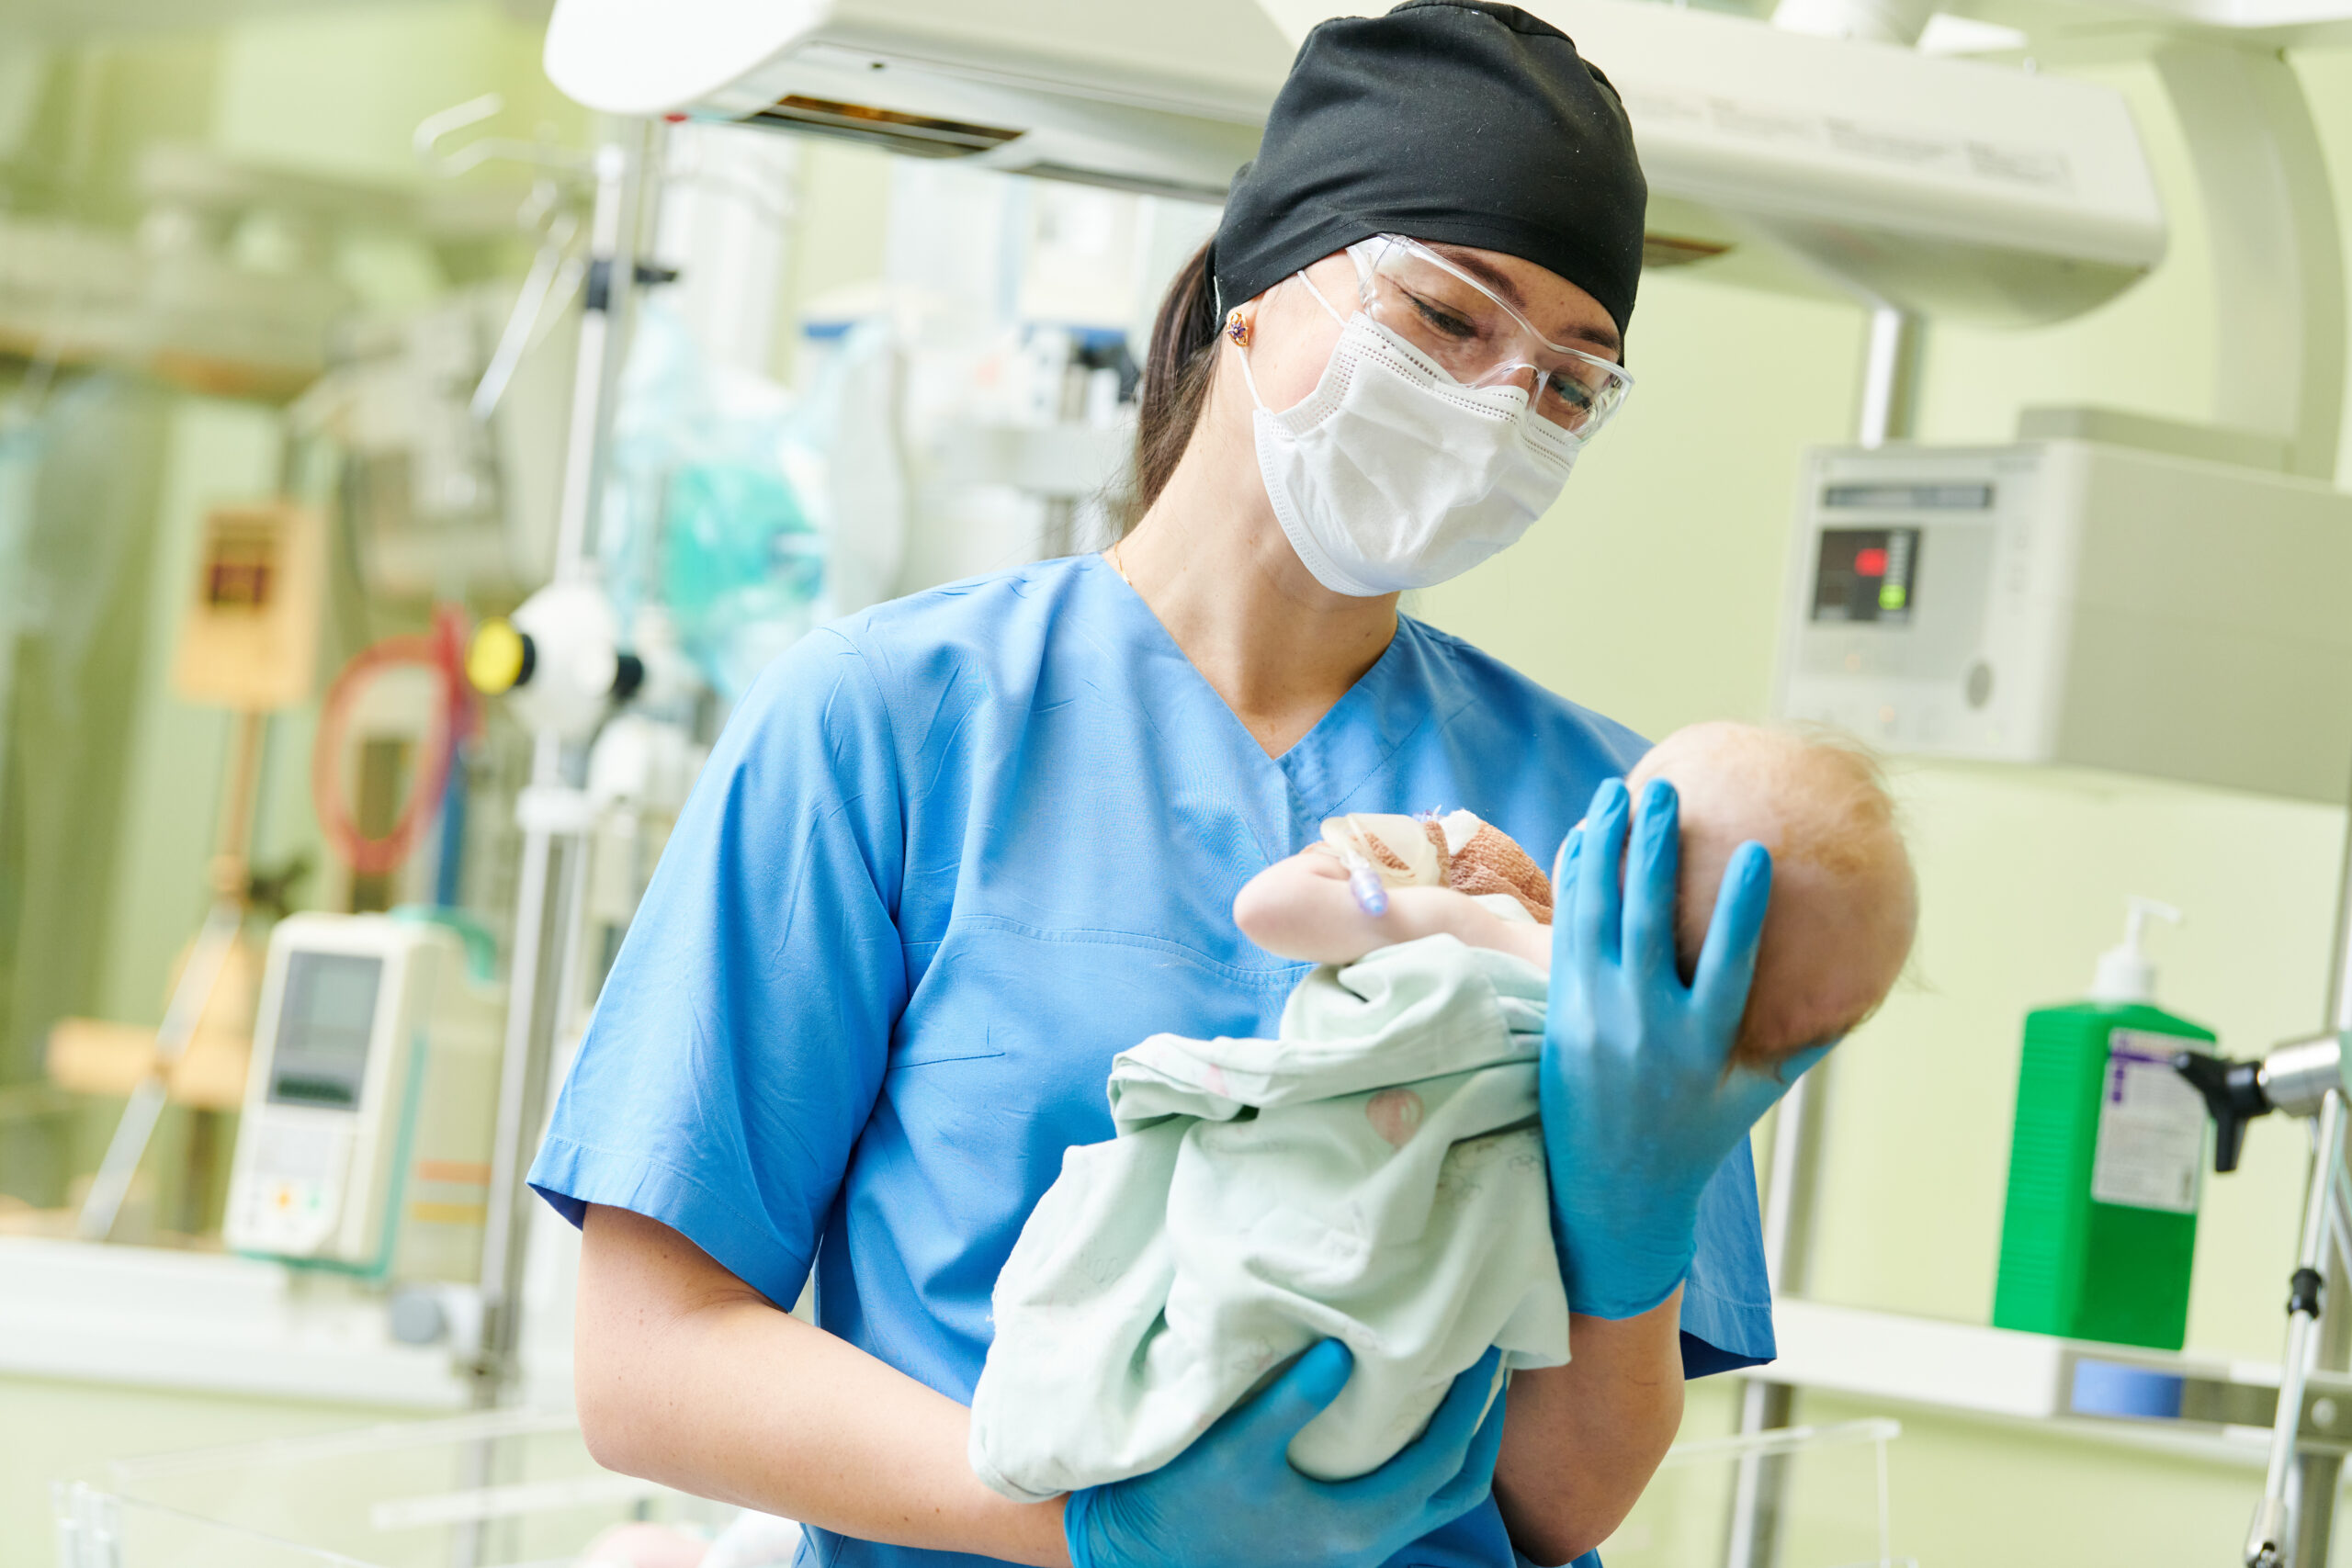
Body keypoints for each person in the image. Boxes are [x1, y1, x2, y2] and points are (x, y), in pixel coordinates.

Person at [532, 5, 1833, 1565]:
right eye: (1447, 316)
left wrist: (1632, 1227)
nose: (1499, 404)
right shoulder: (891, 723)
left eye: (1568, 384)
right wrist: (1091, 1520)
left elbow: (1555, 1505)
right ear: (1256, 287)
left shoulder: (1602, 814)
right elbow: (653, 1361)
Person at [967, 724, 1917, 1508]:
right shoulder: (1665, 1088)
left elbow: (1271, 910)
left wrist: (1419, 897)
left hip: (1271, 1263)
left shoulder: (1497, 932)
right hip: (1381, 1424)